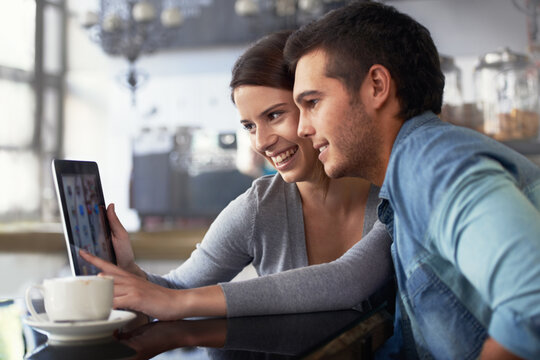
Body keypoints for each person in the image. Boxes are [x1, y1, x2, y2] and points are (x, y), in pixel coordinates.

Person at [283, 2, 540, 359]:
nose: (302, 128)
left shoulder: (431, 165)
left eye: (312, 102)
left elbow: (533, 301)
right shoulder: (408, 178)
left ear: (376, 86)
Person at [81, 30, 393, 321]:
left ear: (313, 104)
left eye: (274, 115)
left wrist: (174, 302)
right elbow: (176, 289)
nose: (262, 142)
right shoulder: (260, 208)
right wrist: (131, 272)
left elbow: (348, 280)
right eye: (249, 126)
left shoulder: (393, 188)